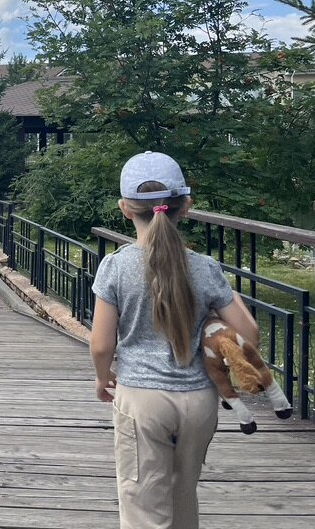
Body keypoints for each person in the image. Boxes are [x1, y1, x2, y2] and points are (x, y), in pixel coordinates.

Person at [90, 151, 259, 529]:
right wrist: (212, 319)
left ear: (124, 209)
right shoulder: (204, 268)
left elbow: (101, 344)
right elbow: (249, 334)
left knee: (143, 507)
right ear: (186, 207)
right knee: (184, 496)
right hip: (199, 400)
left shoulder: (115, 266)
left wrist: (103, 378)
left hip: (142, 399)